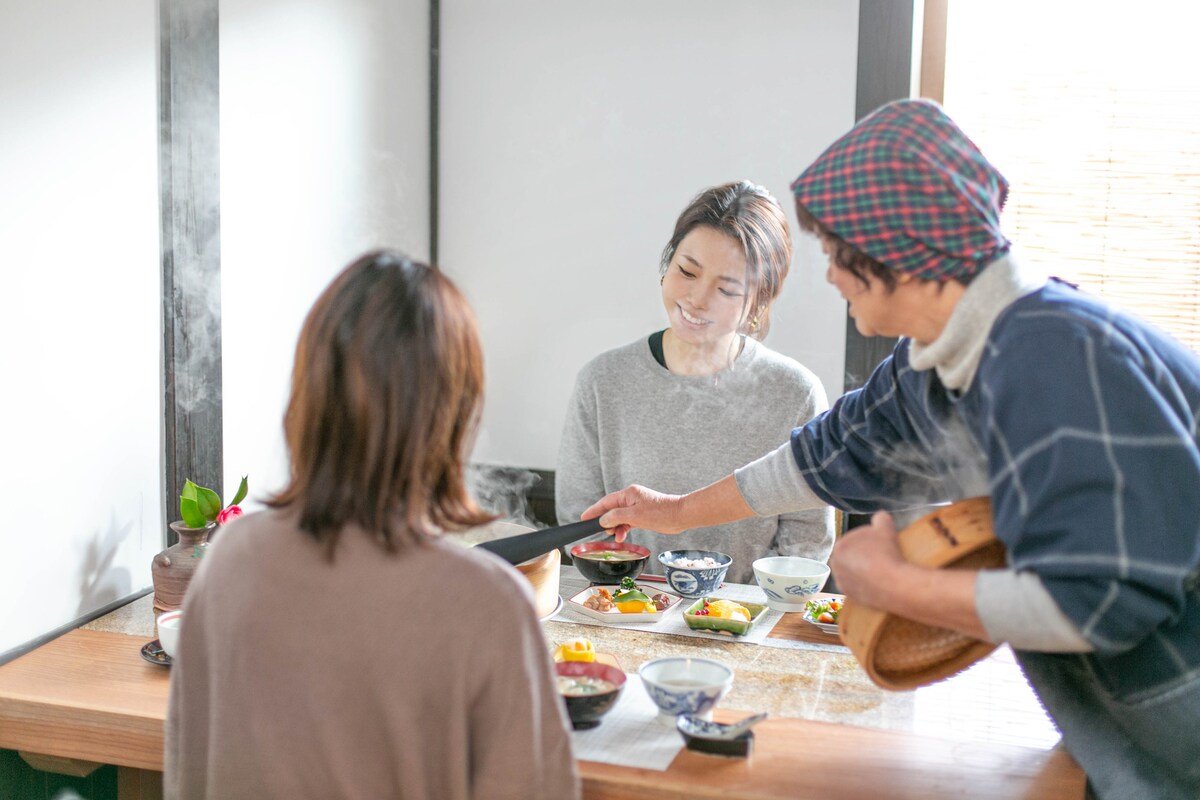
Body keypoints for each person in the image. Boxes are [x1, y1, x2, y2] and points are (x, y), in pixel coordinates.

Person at [582, 100, 1200, 799]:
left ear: (902, 255)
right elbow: (826, 455)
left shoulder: (1056, 355)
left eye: (840, 255)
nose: (830, 278)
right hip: (1121, 740)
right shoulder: (942, 358)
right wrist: (675, 512)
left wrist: (895, 585)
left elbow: (1105, 602)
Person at [165, 251, 579, 800]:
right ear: (453, 413)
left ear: (309, 394)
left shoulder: (231, 558)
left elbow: (188, 772)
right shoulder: (486, 604)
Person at [556, 180, 834, 584]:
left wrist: (735, 611)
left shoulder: (794, 393)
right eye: (686, 271)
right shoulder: (603, 381)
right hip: (628, 610)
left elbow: (806, 542)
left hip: (747, 620)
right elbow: (580, 521)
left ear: (757, 302)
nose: (697, 299)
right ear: (666, 264)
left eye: (726, 289)